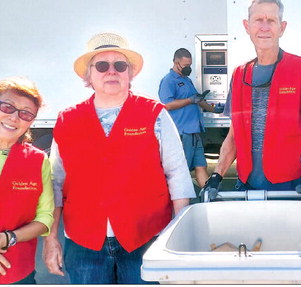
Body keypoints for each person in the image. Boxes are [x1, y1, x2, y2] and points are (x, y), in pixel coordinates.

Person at [42, 32, 196, 284]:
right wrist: (51, 239)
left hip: (146, 239)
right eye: (102, 65)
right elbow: (56, 183)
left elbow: (177, 173)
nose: (111, 71)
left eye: (120, 65)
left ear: (130, 73)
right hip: (84, 245)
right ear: (88, 76)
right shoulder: (67, 120)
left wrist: (178, 237)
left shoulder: (154, 115)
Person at [202, 0, 301, 198]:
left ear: (282, 27)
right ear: (247, 26)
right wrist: (216, 176)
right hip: (246, 186)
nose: (265, 27)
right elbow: (234, 136)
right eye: (258, 20)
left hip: (292, 188)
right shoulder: (239, 74)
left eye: (272, 20)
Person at [0, 77, 54, 284]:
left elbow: (45, 218)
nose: (14, 117)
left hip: (16, 273)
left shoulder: (38, 160)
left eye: (25, 114)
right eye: (7, 106)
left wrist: (7, 238)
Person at [159, 48, 223, 188]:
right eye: (186, 66)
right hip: (182, 133)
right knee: (181, 170)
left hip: (194, 132)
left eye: (190, 65)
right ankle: (176, 202)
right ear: (176, 63)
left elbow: (197, 100)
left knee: (201, 166)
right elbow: (167, 105)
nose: (188, 68)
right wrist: (189, 100)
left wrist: (215, 109)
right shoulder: (169, 81)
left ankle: (208, 197)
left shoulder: (186, 80)